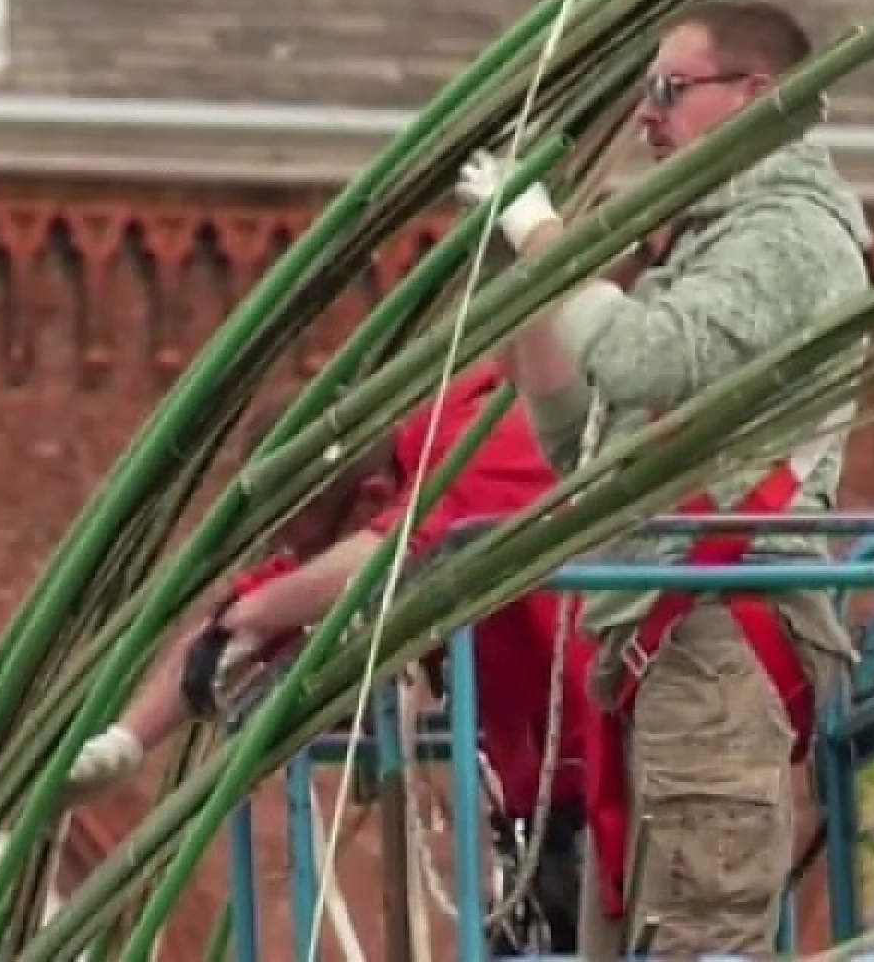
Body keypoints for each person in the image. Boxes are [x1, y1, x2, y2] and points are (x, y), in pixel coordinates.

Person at [455, 0, 873, 956]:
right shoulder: (707, 246)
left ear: (755, 96)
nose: (649, 117)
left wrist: (549, 241)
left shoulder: (786, 236)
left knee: (696, 934)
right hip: (667, 651)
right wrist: (534, 289)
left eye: (669, 91)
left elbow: (643, 358)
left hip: (718, 646)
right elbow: (579, 450)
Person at [65, 363, 595, 953]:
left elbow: (385, 554)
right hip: (551, 805)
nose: (295, 560)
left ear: (369, 498)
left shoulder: (479, 446)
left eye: (305, 541)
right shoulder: (369, 497)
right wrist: (127, 741)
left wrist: (259, 614)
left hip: (624, 767)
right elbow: (267, 601)